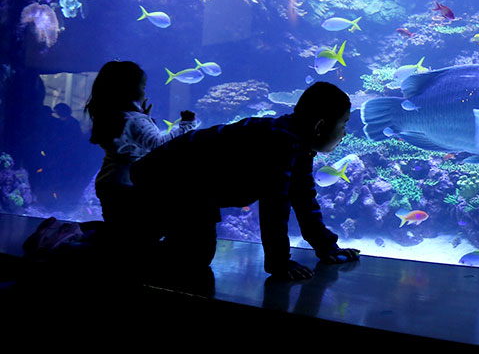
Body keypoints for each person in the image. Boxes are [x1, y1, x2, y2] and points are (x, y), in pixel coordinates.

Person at [129, 81, 360, 281]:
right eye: (344, 124)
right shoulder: (282, 144)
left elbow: (304, 199)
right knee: (194, 255)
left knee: (185, 248)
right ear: (320, 126)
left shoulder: (296, 143)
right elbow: (274, 208)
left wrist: (327, 247)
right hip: (168, 180)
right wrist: (279, 264)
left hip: (188, 188)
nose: (345, 133)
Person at [84, 60, 198, 229]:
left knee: (118, 231)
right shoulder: (135, 120)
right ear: (128, 89)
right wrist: (186, 125)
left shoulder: (111, 115)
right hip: (130, 186)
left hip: (109, 181)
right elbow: (158, 145)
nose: (145, 92)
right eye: (143, 87)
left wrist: (144, 118)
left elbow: (132, 139)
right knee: (136, 235)